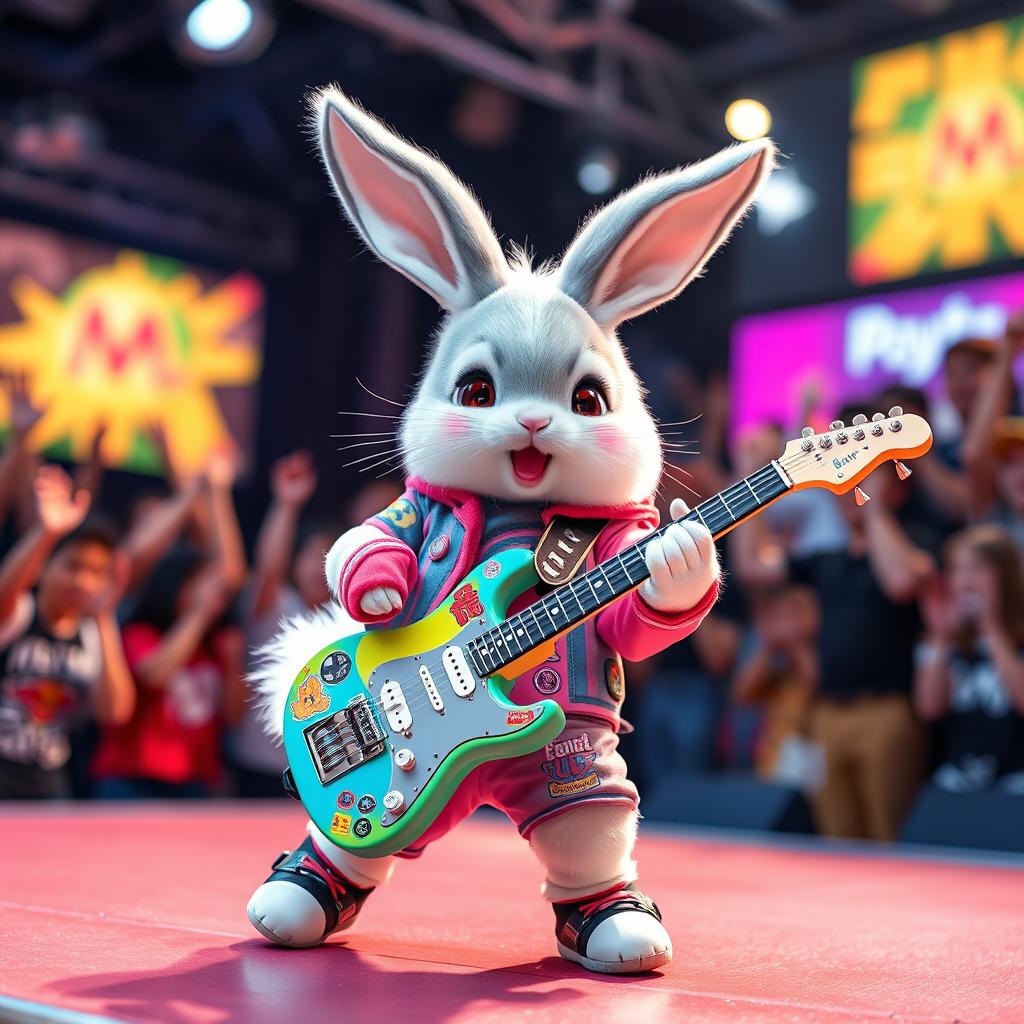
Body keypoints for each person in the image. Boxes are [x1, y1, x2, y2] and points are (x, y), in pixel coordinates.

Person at [733, 429, 933, 841]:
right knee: (835, 844)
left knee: (890, 839)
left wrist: (875, 510)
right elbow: (752, 565)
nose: (850, 492)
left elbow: (899, 582)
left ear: (894, 492)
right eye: (845, 485)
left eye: (865, 481)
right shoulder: (826, 560)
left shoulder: (917, 544)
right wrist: (749, 478)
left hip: (886, 714)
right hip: (825, 716)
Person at [91, 453, 248, 798]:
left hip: (195, 782)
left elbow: (232, 716)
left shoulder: (215, 643)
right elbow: (155, 673)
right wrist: (199, 614)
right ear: (175, 585)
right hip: (131, 781)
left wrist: (215, 491)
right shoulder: (139, 631)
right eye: (199, 583)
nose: (212, 591)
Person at [0, 466, 134, 799]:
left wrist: (104, 618)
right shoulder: (21, 613)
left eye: (97, 573)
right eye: (73, 566)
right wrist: (46, 534)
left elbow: (115, 711)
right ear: (47, 566)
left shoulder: (92, 632)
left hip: (49, 788)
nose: (83, 581)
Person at [231, 450, 336, 797]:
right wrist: (286, 504)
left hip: (320, 775)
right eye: (314, 555)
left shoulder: (349, 623)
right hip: (255, 764)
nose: (320, 569)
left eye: (331, 558)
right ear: (295, 560)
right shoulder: (277, 605)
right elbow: (268, 570)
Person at [916, 525, 1024, 793]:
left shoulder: (1017, 635)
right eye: (957, 570)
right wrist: (940, 637)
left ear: (1006, 574)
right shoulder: (948, 639)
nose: (965, 582)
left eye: (977, 569)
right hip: (958, 779)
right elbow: (929, 707)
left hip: (1015, 779)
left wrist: (992, 629)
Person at [732, 583, 820, 786]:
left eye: (791, 614)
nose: (783, 623)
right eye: (777, 616)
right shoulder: (775, 662)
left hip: (818, 759)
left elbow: (819, 685)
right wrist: (766, 647)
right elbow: (741, 694)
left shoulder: (821, 651)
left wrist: (797, 643)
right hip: (774, 762)